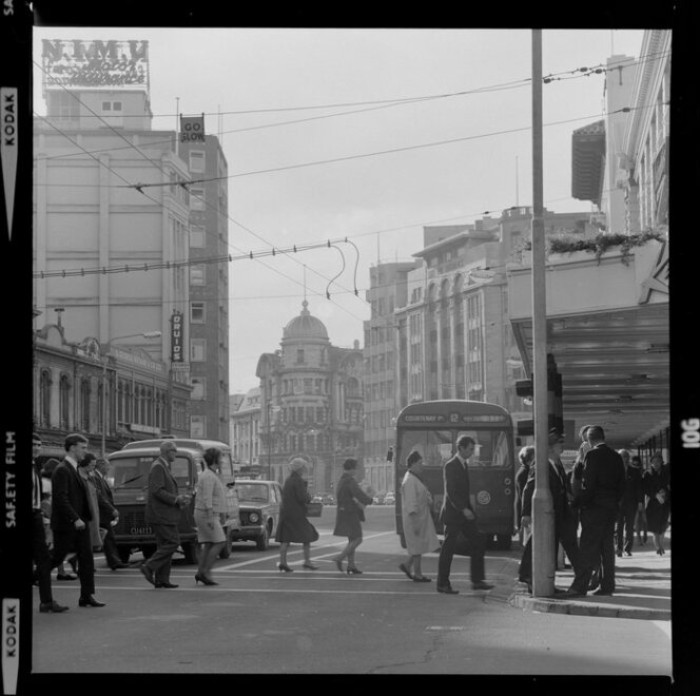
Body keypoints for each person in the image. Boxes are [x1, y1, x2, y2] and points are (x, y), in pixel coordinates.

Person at [562, 425, 625, 598]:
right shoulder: (616, 456)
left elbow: (588, 485)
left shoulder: (592, 455)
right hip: (610, 509)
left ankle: (579, 587)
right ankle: (607, 586)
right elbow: (622, 485)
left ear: (589, 440)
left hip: (594, 510)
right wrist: (613, 503)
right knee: (607, 549)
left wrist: (579, 503)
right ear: (602, 437)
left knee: (588, 549)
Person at [517, 430, 579, 593]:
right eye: (559, 444)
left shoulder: (556, 464)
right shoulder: (540, 465)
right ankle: (530, 578)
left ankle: (543, 581)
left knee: (549, 549)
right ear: (550, 447)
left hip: (558, 514)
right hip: (546, 515)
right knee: (538, 546)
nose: (562, 447)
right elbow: (529, 489)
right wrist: (526, 513)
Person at [50, 433, 105, 608]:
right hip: (67, 524)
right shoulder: (62, 469)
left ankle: (86, 596)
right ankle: (37, 576)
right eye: (83, 447)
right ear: (73, 447)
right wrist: (75, 518)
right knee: (56, 558)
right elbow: (61, 498)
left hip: (81, 524)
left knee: (86, 559)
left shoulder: (73, 468)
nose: (85, 451)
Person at [436, 435, 494, 594]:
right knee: (448, 549)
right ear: (460, 448)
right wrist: (464, 509)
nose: (472, 452)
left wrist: (471, 511)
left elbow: (463, 492)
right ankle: (442, 583)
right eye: (470, 449)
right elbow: (452, 492)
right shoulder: (451, 465)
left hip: (464, 514)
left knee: (478, 541)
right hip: (454, 515)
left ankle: (477, 580)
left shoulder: (464, 465)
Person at [139, 440, 190, 589]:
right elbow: (157, 490)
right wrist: (175, 499)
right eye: (174, 451)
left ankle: (162, 579)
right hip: (161, 514)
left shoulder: (163, 466)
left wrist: (179, 499)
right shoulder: (158, 467)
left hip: (164, 513)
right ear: (167, 452)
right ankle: (149, 567)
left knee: (164, 544)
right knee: (173, 542)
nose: (176, 453)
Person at [31, 434, 68, 613]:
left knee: (44, 559)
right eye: (34, 445)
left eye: (39, 444)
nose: (37, 448)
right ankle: (46, 600)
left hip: (37, 516)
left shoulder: (35, 467)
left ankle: (46, 601)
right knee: (44, 559)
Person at [398, 450, 439, 582]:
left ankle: (407, 565)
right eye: (420, 463)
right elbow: (411, 503)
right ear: (413, 464)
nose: (422, 466)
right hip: (414, 519)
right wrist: (415, 523)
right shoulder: (410, 480)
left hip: (419, 518)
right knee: (417, 547)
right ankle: (418, 574)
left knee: (418, 547)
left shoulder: (413, 478)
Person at [275, 458, 320, 572]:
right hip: (297, 514)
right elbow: (302, 498)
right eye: (304, 467)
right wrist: (309, 496)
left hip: (286, 514)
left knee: (285, 538)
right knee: (308, 535)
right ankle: (307, 561)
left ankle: (283, 562)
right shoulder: (298, 481)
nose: (305, 469)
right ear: (300, 468)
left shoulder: (288, 480)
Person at [194, 446, 229, 585]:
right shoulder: (208, 475)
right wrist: (210, 516)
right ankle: (206, 572)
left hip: (207, 513)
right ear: (215, 460)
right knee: (220, 541)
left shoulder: (211, 474)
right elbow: (207, 498)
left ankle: (201, 571)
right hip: (206, 513)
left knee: (209, 543)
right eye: (220, 458)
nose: (222, 461)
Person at [332, 458, 374, 574]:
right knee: (358, 538)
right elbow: (358, 493)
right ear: (351, 468)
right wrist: (369, 500)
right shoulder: (350, 481)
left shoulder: (342, 480)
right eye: (355, 468)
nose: (356, 471)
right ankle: (340, 557)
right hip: (350, 513)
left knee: (351, 539)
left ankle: (351, 565)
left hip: (343, 512)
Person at [41, 457, 78, 581]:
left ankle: (61, 572)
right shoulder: (47, 482)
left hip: (48, 517)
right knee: (49, 548)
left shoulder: (45, 480)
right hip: (47, 518)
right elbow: (47, 501)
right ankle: (44, 573)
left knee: (55, 547)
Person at [93, 458, 127, 569]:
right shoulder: (95, 478)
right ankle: (114, 561)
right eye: (107, 466)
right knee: (107, 538)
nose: (109, 468)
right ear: (101, 465)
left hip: (103, 514)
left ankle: (114, 561)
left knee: (108, 539)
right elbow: (100, 497)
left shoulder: (101, 478)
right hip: (101, 514)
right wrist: (111, 509)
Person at [615, 449, 644, 557]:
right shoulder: (614, 471)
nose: (624, 459)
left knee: (630, 526)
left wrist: (640, 501)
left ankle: (627, 548)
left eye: (626, 457)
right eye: (622, 457)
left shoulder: (635, 471)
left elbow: (639, 488)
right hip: (618, 504)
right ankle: (619, 548)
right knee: (619, 527)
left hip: (631, 503)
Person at [643, 452, 670, 555]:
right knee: (655, 528)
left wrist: (665, 493)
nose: (656, 463)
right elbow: (645, 488)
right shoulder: (647, 474)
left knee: (662, 527)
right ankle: (658, 547)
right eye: (654, 462)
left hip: (664, 503)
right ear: (651, 463)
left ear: (661, 462)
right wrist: (655, 495)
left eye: (658, 461)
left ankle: (661, 545)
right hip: (653, 504)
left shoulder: (666, 472)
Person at [77, 453, 103, 553]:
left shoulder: (91, 478)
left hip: (93, 513)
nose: (93, 468)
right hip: (84, 514)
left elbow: (97, 494)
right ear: (86, 464)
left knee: (89, 543)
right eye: (92, 465)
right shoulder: (77, 477)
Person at [515, 445, 535, 547]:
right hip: (526, 509)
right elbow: (526, 492)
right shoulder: (526, 472)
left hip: (524, 508)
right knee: (527, 541)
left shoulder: (523, 470)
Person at [632, 455, 648, 545]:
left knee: (645, 519)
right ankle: (639, 538)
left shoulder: (644, 473)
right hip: (635, 499)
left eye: (637, 464)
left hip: (644, 498)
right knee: (637, 520)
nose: (636, 466)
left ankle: (645, 534)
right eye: (634, 464)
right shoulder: (633, 472)